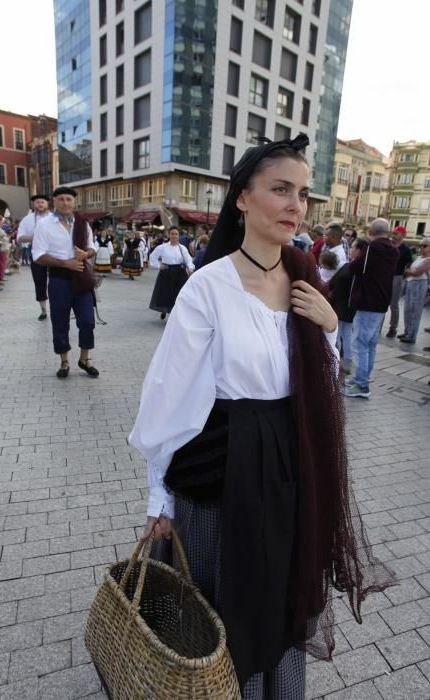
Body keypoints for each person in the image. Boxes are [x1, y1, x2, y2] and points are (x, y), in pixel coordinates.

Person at [129, 135, 393, 699]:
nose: (296, 205)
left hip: (290, 463)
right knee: (225, 602)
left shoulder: (304, 277)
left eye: (302, 193)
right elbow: (169, 395)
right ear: (242, 199)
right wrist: (158, 495)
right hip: (224, 468)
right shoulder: (209, 287)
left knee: (282, 591)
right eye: (281, 189)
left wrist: (327, 328)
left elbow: (321, 381)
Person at [32, 186, 99, 379]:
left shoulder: (82, 223)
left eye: (68, 199)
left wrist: (86, 253)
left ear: (74, 202)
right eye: (61, 199)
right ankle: (64, 361)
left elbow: (92, 248)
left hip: (81, 277)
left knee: (87, 321)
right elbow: (38, 255)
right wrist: (64, 263)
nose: (65, 202)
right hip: (58, 279)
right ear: (54, 202)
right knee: (60, 323)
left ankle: (84, 359)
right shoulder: (45, 225)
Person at [345, 218, 398, 398]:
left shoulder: (373, 249)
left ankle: (361, 385)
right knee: (371, 344)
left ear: (371, 232)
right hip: (382, 304)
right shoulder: (393, 250)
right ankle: (363, 379)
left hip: (368, 302)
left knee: (360, 344)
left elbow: (356, 268)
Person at [329, 238, 368, 374]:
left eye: (353, 247)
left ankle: (341, 362)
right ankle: (342, 361)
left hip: (346, 305)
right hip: (343, 304)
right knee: (344, 334)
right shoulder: (351, 265)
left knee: (343, 334)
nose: (350, 250)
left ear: (359, 250)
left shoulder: (356, 267)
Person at [149, 225, 194, 320]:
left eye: (176, 234)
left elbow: (188, 259)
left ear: (178, 236)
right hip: (166, 272)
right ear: (169, 235)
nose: (174, 236)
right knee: (166, 293)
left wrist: (190, 267)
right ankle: (164, 310)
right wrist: (159, 265)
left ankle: (175, 314)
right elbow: (152, 257)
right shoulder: (162, 247)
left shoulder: (182, 248)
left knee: (178, 294)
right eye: (172, 234)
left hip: (179, 274)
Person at [18, 194, 51, 320]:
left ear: (47, 204)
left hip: (54, 253)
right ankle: (43, 310)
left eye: (42, 202)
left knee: (58, 281)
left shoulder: (54, 218)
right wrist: (35, 237)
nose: (40, 204)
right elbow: (20, 237)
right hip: (37, 254)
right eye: (37, 202)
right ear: (33, 204)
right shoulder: (27, 219)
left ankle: (60, 307)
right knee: (39, 282)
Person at [398, 238, 430, 343]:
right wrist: (409, 272)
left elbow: (418, 272)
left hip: (419, 284)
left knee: (415, 311)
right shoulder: (419, 257)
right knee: (407, 310)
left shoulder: (429, 259)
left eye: (424, 246)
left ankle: (412, 335)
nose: (421, 247)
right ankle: (407, 332)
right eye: (420, 245)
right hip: (411, 283)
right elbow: (411, 270)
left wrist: (408, 271)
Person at [386, 226, 413, 338]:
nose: (394, 235)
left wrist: (404, 275)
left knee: (394, 304)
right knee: (382, 300)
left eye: (396, 233)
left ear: (402, 235)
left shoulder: (406, 250)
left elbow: (409, 264)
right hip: (385, 275)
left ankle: (393, 327)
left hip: (397, 276)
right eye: (394, 233)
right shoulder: (389, 245)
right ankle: (378, 326)